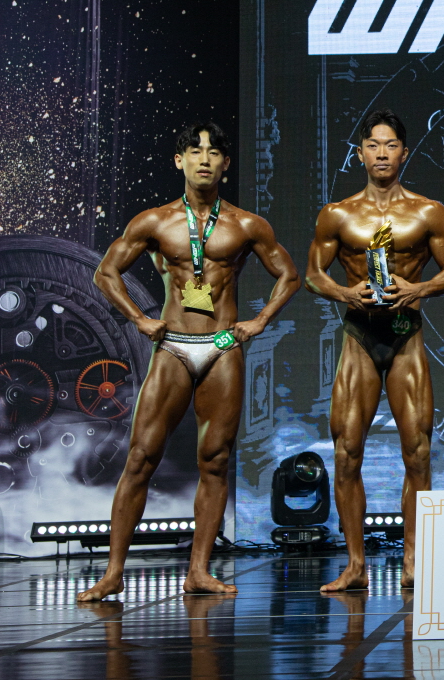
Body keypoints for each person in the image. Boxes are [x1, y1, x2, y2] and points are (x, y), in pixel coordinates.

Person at [79, 122, 301, 600]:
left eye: (214, 152)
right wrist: (139, 318)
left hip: (222, 346)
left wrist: (260, 321)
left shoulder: (246, 225)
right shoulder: (155, 222)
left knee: (216, 461)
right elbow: (106, 273)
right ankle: (113, 573)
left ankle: (198, 571)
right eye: (195, 151)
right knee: (140, 458)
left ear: (225, 163)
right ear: (179, 161)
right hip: (174, 345)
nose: (204, 159)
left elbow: (289, 275)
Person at [304, 109, 444, 591]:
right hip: (359, 335)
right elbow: (312, 275)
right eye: (373, 145)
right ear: (360, 154)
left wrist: (418, 289)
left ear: (404, 153)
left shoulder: (429, 212)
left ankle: (413, 559)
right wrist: (344, 293)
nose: (381, 154)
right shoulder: (337, 214)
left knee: (418, 453)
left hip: (406, 336)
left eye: (390, 145)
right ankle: (355, 565)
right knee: (347, 452)